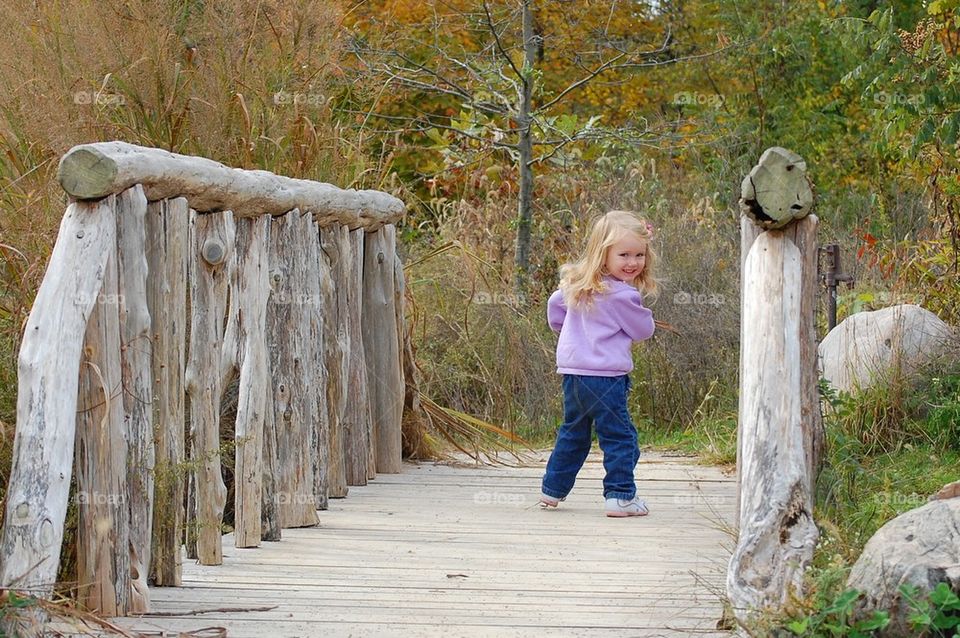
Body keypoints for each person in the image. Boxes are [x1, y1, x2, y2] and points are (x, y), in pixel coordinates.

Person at [540, 210, 658, 517]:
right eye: (623, 255)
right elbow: (643, 330)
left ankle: (552, 490)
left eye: (639, 255)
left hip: (573, 375)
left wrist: (569, 329)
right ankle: (620, 496)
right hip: (606, 378)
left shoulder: (577, 286)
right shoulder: (622, 295)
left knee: (573, 432)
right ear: (602, 255)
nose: (632, 262)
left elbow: (555, 308)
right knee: (619, 436)